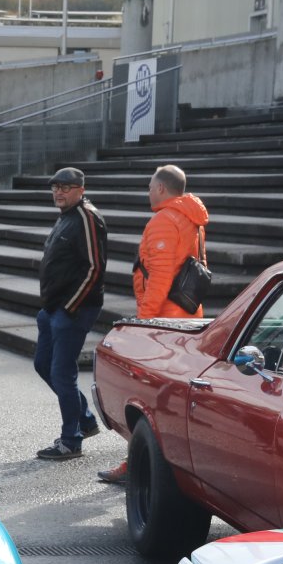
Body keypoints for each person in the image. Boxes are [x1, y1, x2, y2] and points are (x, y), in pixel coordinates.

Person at [98, 165, 209, 484]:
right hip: (185, 315)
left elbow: (160, 277)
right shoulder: (192, 219)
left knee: (145, 397)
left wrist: (144, 323)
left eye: (150, 186)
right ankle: (156, 461)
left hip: (163, 323)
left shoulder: (164, 220)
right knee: (166, 399)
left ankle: (140, 462)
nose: (148, 192)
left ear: (161, 188)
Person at [34, 166, 107, 462]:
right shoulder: (66, 216)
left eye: (65, 187)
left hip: (73, 310)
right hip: (53, 308)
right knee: (43, 364)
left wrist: (70, 307)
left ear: (80, 190)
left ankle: (70, 441)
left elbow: (95, 268)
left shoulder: (87, 217)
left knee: (62, 373)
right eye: (55, 187)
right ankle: (85, 420)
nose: (58, 192)